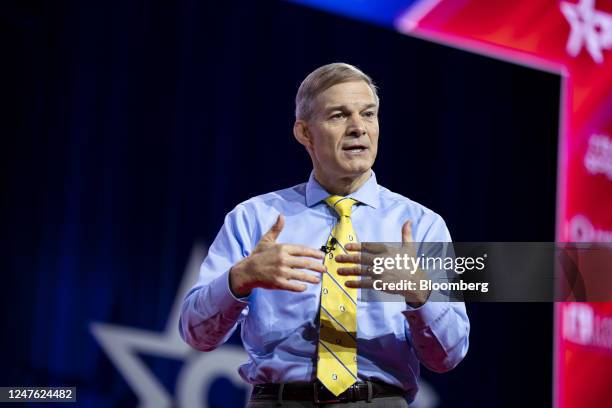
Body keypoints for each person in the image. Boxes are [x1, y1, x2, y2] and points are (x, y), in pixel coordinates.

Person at [179, 63, 469, 407]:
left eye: (368, 114)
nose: (358, 128)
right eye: (338, 116)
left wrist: (419, 292)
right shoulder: (255, 218)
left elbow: (448, 356)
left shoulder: (422, 225)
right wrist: (240, 278)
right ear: (304, 133)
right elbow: (196, 335)